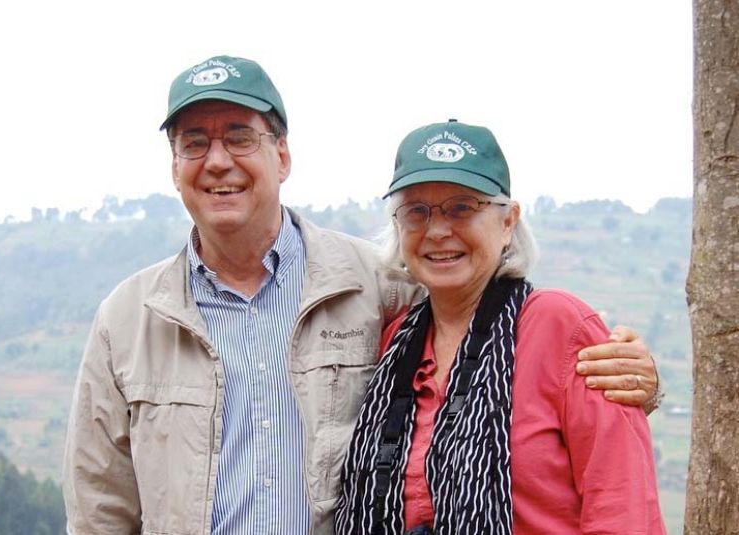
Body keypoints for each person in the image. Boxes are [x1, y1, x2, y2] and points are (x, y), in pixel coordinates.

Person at [62, 56, 661, 535]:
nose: (218, 161)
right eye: (194, 142)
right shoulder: (128, 318)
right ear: (174, 165)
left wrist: (641, 383)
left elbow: (572, 407)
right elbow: (99, 509)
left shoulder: (369, 286)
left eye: (240, 137)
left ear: (282, 154)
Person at [336, 120, 666, 534]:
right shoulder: (396, 344)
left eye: (462, 207)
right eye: (416, 211)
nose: (437, 230)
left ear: (508, 220)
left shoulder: (560, 327)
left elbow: (621, 505)